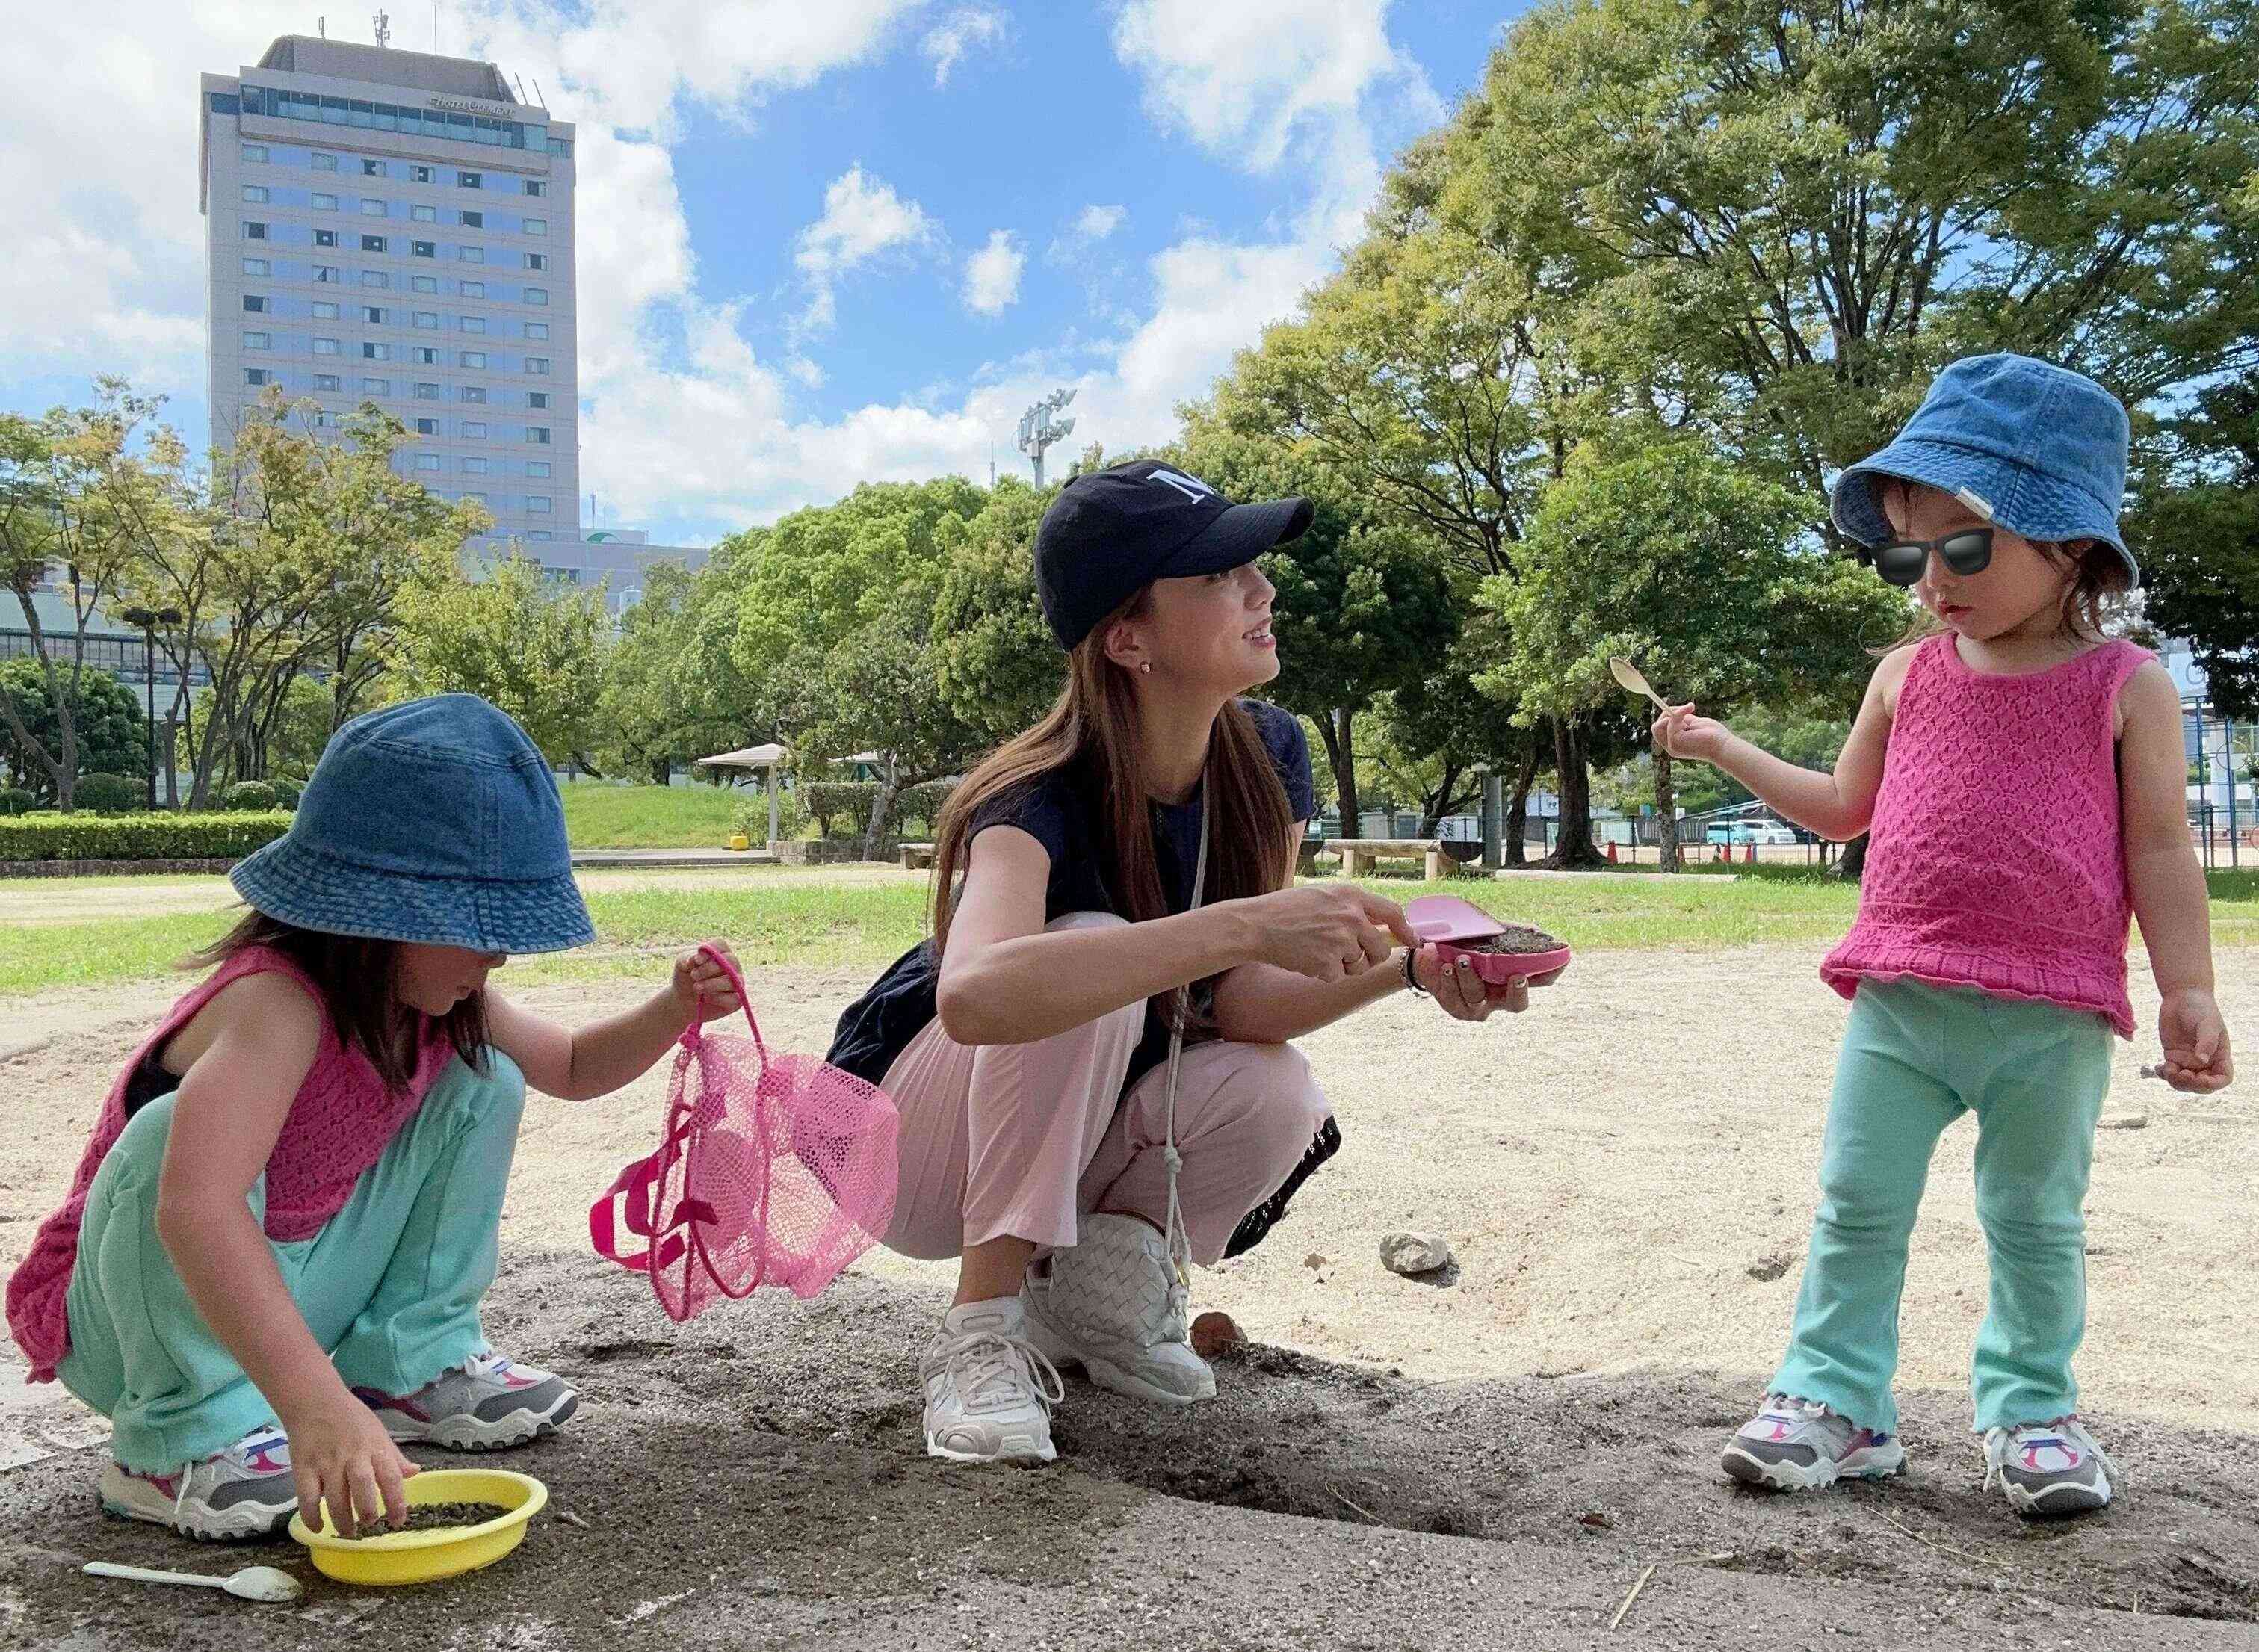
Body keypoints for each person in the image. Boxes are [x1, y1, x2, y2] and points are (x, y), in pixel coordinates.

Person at [829, 459, 1563, 1465]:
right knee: (1087, 957)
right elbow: (977, 994)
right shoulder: (1033, 794)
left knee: (1271, 1089)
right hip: (904, 1149)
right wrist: (1243, 923)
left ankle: (1083, 1307)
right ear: (1125, 637)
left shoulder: (1264, 756)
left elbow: (1240, 1001)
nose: (1261, 589)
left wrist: (1406, 969)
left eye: (1252, 565)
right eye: (1217, 574)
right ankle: (980, 1332)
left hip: (1056, 1110)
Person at [1652, 354, 2233, 1517]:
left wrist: (2188, 988)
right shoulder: (1900, 675)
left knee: (2030, 1217)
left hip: (2052, 1006)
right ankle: (1836, 1400)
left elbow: (2161, 847)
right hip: (1900, 995)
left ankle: (2031, 1409)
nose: (1929, 580)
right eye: (1905, 553)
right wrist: (1722, 748)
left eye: (1963, 546)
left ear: (2067, 543)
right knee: (1855, 1200)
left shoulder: (2124, 683)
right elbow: (1838, 807)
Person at [4, 695, 743, 1540]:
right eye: (478, 928)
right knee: (173, 1142)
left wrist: (672, 1007)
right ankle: (177, 1438)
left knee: (485, 1076)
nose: (498, 954)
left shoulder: (434, 1000)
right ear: (382, 920)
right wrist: (315, 1412)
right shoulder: (273, 1004)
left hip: (284, 1289)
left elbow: (570, 1067)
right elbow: (194, 1211)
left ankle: (403, 1362)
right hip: (136, 1321)